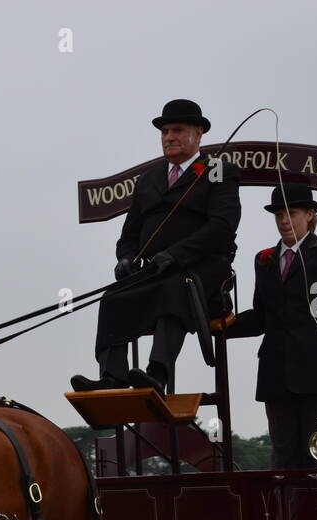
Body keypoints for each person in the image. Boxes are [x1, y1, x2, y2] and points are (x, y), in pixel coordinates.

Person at [72, 99, 241, 396]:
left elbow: (222, 228)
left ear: (198, 133)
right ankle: (113, 376)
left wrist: (176, 255)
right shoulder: (149, 179)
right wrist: (125, 258)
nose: (169, 137)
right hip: (156, 270)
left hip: (202, 270)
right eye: (164, 131)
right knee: (113, 296)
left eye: (177, 130)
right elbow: (129, 234)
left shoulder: (218, 171)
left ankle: (157, 373)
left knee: (177, 287)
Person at [221, 182, 317, 468]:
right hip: (276, 373)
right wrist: (224, 326)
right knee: (283, 458)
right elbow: (263, 316)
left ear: (310, 214)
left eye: (292, 213)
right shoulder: (264, 260)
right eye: (278, 215)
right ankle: (284, 514)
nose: (284, 220)